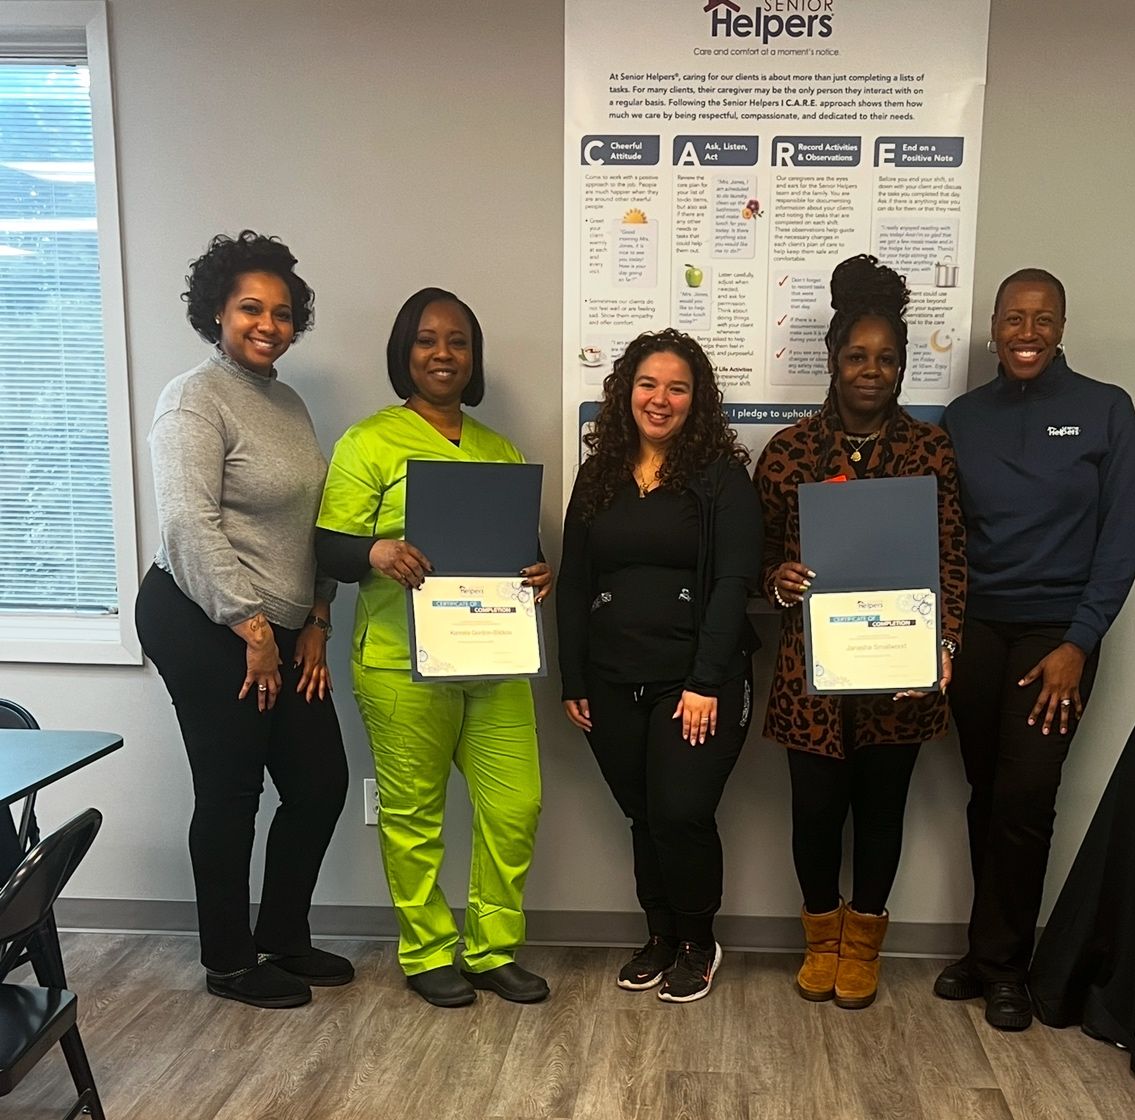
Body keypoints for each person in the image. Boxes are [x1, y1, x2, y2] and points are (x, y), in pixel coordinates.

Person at [315, 287, 550, 1008]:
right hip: (400, 660)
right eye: (426, 340)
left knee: (516, 806)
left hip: (492, 656)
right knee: (415, 816)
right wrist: (377, 551)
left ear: (473, 358)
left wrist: (539, 570)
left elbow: (515, 547)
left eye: (457, 341)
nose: (442, 354)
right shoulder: (368, 441)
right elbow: (329, 545)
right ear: (403, 353)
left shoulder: (496, 448)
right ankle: (425, 951)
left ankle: (490, 949)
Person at [135, 231, 350, 1010]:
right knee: (231, 794)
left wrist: (318, 614)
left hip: (283, 622)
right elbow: (188, 524)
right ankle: (228, 959)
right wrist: (253, 629)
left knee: (320, 782)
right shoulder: (193, 398)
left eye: (283, 313)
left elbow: (317, 520)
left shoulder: (286, 402)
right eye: (251, 308)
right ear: (216, 312)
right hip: (199, 616)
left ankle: (282, 935)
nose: (269, 324)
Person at [754, 254, 966, 1009]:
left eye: (886, 360)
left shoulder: (930, 452)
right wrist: (777, 581)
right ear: (834, 363)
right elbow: (758, 563)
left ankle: (865, 942)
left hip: (899, 676)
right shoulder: (787, 453)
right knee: (814, 815)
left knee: (881, 814)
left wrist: (944, 647)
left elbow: (951, 560)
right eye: (857, 357)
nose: (871, 371)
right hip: (811, 675)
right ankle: (820, 942)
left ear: (903, 368)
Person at [935, 268, 1135, 1031]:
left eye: (1043, 319)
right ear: (993, 328)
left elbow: (1121, 540)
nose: (1028, 333)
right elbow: (944, 534)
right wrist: (945, 636)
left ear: (1062, 327)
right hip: (979, 633)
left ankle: (1007, 966)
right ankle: (986, 949)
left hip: (1058, 637)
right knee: (986, 794)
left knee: (1026, 799)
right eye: (1014, 319)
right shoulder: (964, 417)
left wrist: (1079, 642)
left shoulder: (1106, 410)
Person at [557, 328, 761, 1004]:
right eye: (648, 384)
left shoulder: (720, 478)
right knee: (642, 812)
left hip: (694, 682)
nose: (660, 398)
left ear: (696, 399)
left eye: (677, 387)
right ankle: (661, 935)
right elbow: (576, 577)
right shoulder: (601, 473)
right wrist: (573, 679)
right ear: (627, 391)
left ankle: (699, 939)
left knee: (680, 812)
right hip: (612, 678)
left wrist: (706, 682)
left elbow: (735, 582)